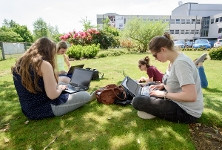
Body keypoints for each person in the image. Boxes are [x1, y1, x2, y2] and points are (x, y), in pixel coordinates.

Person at [12, 37, 95, 120]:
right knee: (85, 95)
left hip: (28, 109)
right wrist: (60, 88)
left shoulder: (20, 63)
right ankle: (89, 97)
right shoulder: (43, 64)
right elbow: (52, 95)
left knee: (63, 83)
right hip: (45, 108)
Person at [132, 32, 204, 123]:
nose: (155, 58)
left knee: (137, 101)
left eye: (155, 55)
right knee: (150, 85)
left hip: (186, 111)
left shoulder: (181, 64)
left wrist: (163, 94)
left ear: (163, 49)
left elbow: (191, 96)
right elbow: (175, 80)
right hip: (176, 99)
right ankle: (147, 94)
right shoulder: (173, 61)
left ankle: (146, 97)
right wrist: (162, 85)